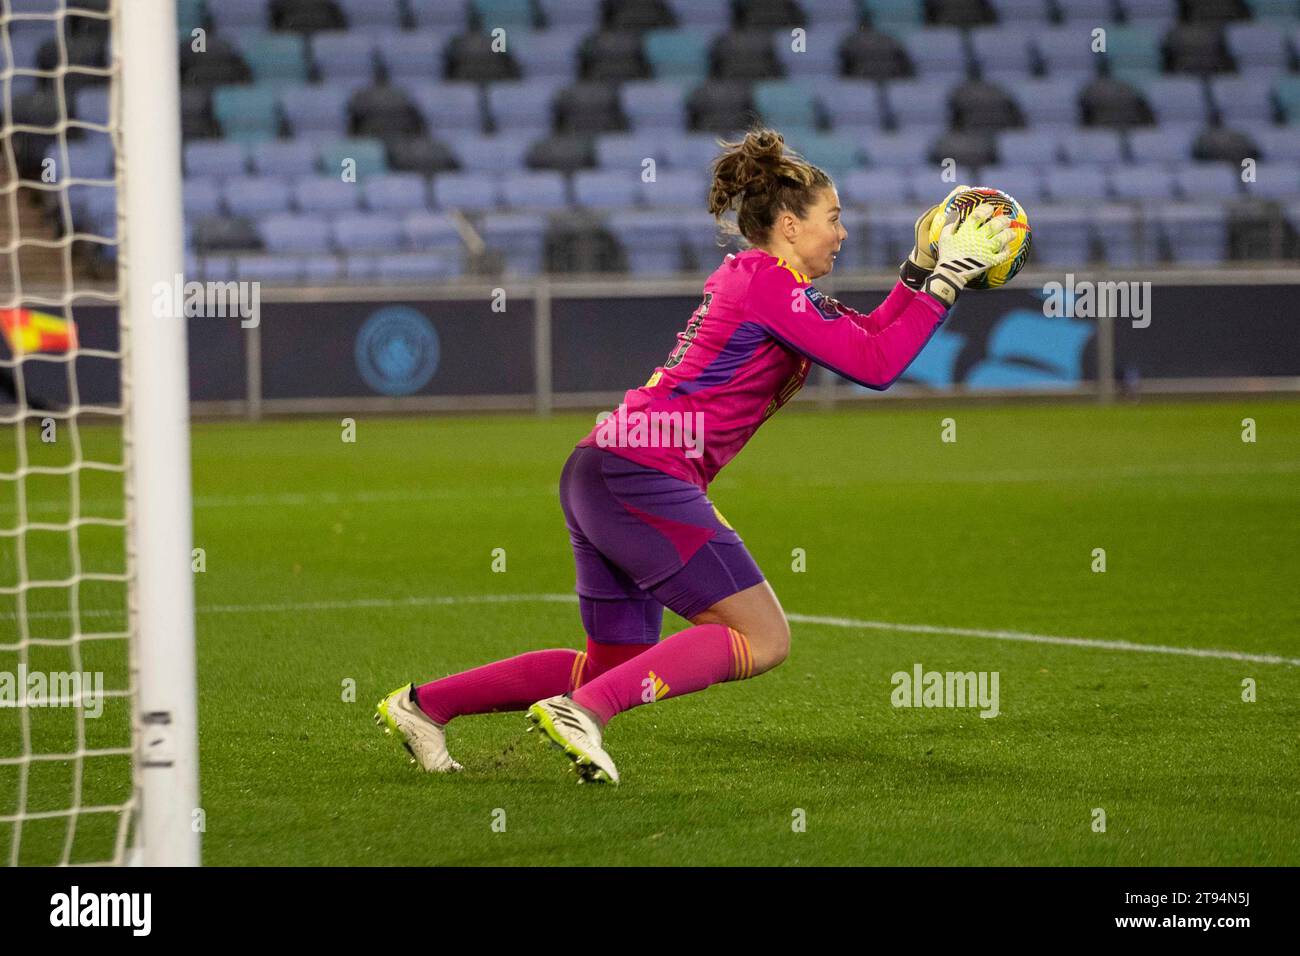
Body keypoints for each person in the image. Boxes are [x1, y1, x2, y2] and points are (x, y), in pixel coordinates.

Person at [376, 127, 1014, 784]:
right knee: (763, 639)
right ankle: (583, 713)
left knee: (612, 661)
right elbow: (876, 365)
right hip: (641, 474)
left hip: (605, 468)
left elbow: (876, 338)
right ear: (790, 225)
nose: (843, 233)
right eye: (834, 218)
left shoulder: (772, 286)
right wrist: (947, 283)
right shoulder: (768, 284)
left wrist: (921, 270)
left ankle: (425, 707)